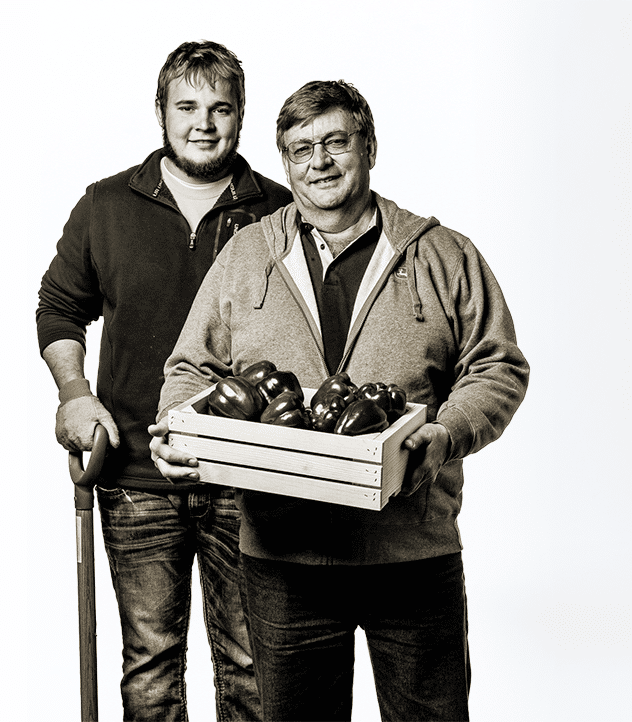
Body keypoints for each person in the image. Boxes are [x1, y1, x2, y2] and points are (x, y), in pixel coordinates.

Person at [154, 80, 529, 720]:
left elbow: (497, 366)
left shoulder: (441, 253)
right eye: (301, 149)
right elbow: (192, 366)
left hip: (411, 551)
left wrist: (448, 432)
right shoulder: (248, 254)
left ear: (369, 146)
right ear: (285, 163)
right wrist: (175, 429)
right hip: (283, 558)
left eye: (335, 142)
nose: (319, 162)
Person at [37, 40, 291, 720]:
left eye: (220, 108)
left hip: (249, 477)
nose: (203, 123)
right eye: (187, 106)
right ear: (160, 112)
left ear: (241, 116)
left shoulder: (280, 211)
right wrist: (74, 391)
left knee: (251, 666)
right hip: (133, 475)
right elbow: (60, 307)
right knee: (149, 670)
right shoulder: (106, 206)